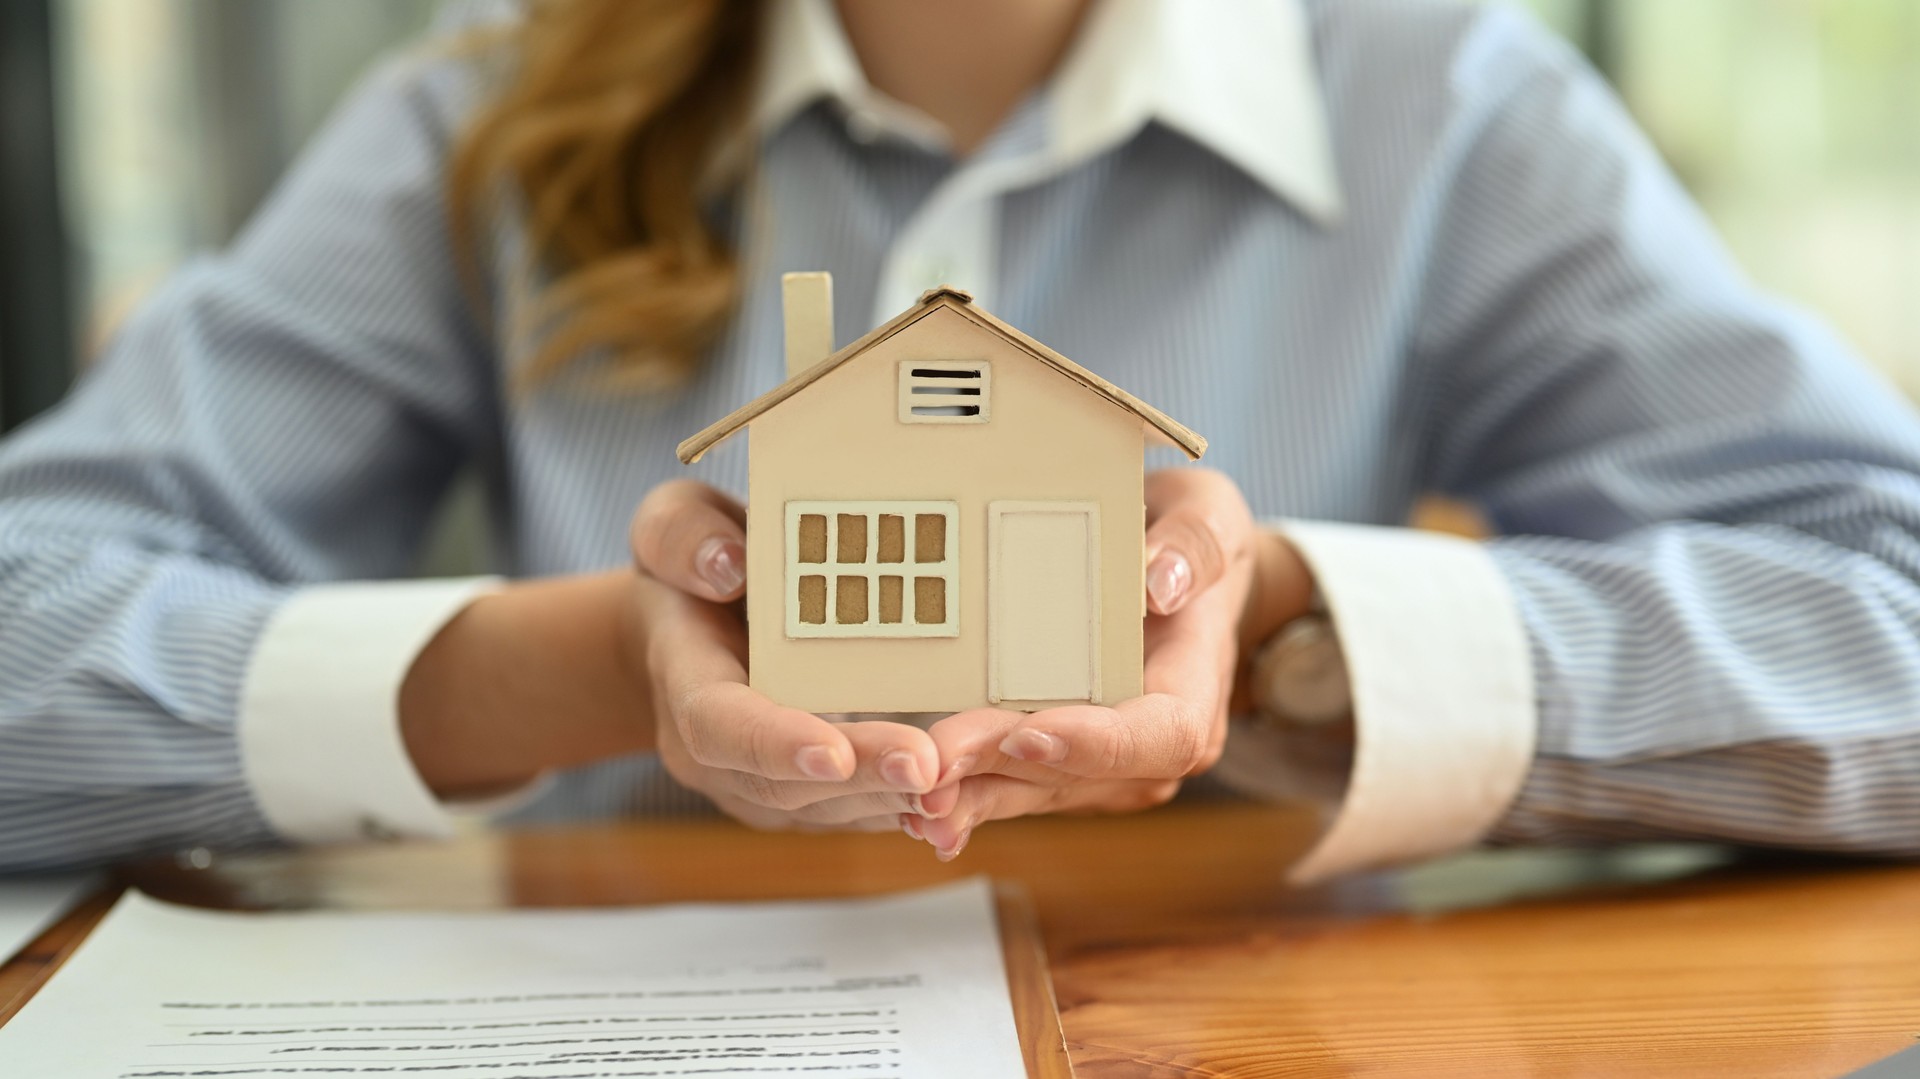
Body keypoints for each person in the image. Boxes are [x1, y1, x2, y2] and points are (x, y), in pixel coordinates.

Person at [4, 0, 1920, 879]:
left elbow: (1889, 618)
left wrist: (1279, 631)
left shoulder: (1457, 106)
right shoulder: (487, 118)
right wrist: (590, 665)